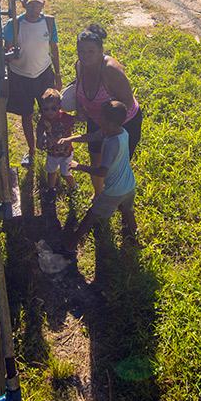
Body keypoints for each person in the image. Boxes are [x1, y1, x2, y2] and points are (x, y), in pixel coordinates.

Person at [58, 100, 137, 253]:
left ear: (107, 122)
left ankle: (71, 244)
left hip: (114, 190)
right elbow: (92, 136)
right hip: (129, 184)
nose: (98, 118)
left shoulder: (112, 144)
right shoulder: (121, 132)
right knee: (127, 210)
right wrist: (69, 139)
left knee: (92, 214)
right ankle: (134, 235)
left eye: (101, 117)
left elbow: (102, 172)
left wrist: (78, 166)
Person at [74, 23, 142, 195]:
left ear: (100, 51)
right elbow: (78, 91)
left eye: (91, 51)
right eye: (81, 51)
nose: (85, 56)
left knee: (114, 166)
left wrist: (110, 128)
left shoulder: (111, 70)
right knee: (95, 160)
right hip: (97, 120)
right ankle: (99, 195)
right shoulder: (79, 65)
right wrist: (79, 109)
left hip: (123, 123)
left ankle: (120, 197)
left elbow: (127, 102)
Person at [3, 0, 61, 167]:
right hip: (20, 77)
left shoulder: (49, 23)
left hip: (44, 74)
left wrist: (58, 74)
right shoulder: (14, 24)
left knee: (49, 111)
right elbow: (8, 50)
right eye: (30, 5)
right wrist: (11, 54)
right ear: (22, 4)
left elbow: (54, 48)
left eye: (37, 5)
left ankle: (53, 146)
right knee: (26, 114)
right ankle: (31, 150)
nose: (34, 9)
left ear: (43, 4)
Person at [36, 87, 77, 203]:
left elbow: (78, 119)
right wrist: (39, 138)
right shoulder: (44, 118)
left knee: (65, 173)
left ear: (59, 106)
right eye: (46, 109)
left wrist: (82, 111)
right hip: (52, 151)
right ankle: (51, 189)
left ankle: (73, 187)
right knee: (51, 171)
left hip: (65, 152)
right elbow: (40, 127)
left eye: (53, 108)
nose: (49, 112)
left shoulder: (65, 118)